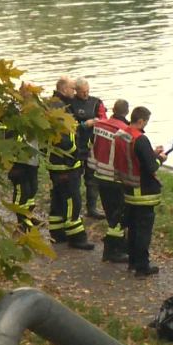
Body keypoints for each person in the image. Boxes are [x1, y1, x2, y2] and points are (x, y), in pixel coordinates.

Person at [46, 76, 94, 250]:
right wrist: (76, 154)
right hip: (66, 164)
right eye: (72, 89)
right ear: (64, 89)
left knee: (58, 198)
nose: (75, 92)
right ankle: (77, 238)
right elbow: (66, 139)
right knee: (73, 200)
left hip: (54, 162)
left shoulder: (51, 104)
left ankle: (57, 233)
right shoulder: (61, 109)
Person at [118, 106, 166, 276]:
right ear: (141, 121)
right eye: (146, 122)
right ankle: (142, 266)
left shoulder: (122, 133)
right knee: (143, 230)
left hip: (128, 187)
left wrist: (151, 153)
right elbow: (151, 166)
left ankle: (132, 262)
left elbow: (134, 157)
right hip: (143, 191)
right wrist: (160, 158)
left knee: (132, 227)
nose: (146, 125)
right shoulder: (140, 139)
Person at [88, 99, 130, 263]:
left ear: (113, 109)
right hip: (114, 178)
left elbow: (93, 146)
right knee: (118, 216)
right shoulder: (123, 131)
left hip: (99, 174)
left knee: (111, 213)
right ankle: (112, 250)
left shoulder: (99, 125)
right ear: (126, 112)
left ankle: (120, 246)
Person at [70, 77, 107, 219]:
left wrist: (99, 121)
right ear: (76, 91)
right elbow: (68, 125)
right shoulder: (70, 103)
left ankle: (92, 209)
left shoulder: (96, 102)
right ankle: (75, 208)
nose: (86, 94)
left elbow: (104, 119)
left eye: (87, 91)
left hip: (92, 147)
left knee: (92, 179)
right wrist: (84, 125)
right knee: (75, 179)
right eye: (82, 92)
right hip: (76, 147)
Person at [7, 81, 40, 232]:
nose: (31, 94)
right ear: (21, 92)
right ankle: (21, 223)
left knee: (32, 189)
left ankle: (28, 216)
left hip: (33, 157)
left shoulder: (36, 108)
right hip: (18, 159)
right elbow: (8, 134)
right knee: (22, 191)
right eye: (28, 91)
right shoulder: (14, 110)